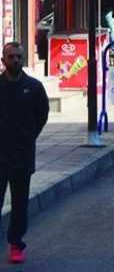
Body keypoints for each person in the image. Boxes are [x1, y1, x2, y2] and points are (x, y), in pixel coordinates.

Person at [0, 43, 48, 263]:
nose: (16, 60)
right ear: (3, 60)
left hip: (22, 155)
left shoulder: (34, 87)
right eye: (11, 57)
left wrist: (28, 137)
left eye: (19, 57)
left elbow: (42, 116)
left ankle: (16, 244)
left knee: (20, 204)